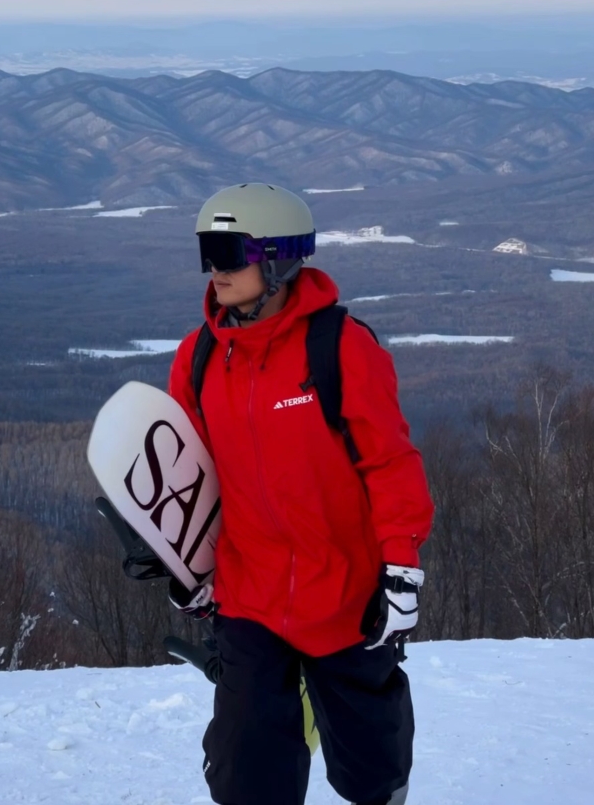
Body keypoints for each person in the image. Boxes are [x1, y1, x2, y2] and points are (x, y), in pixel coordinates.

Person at [168, 183, 434, 805]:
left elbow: (390, 463)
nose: (216, 269)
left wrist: (401, 571)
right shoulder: (199, 356)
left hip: (343, 594)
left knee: (372, 766)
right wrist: (185, 562)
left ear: (279, 258)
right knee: (245, 770)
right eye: (207, 250)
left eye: (230, 251)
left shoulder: (340, 349)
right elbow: (191, 479)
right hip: (248, 595)